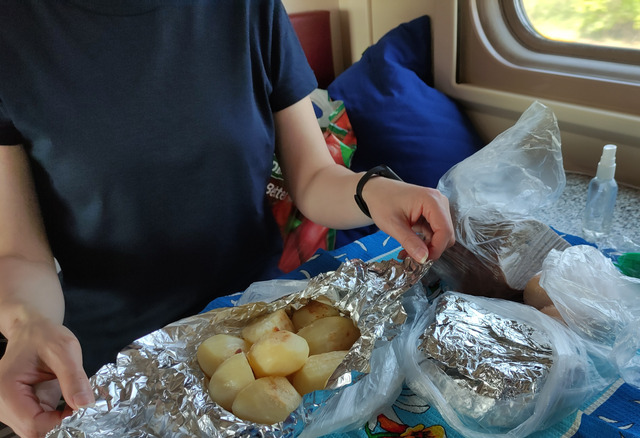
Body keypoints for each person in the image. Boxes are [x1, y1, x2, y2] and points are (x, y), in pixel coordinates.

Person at [0, 2, 455, 437]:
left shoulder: (248, 8)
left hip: (255, 326)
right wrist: (25, 326)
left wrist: (371, 190)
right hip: (111, 366)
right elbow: (20, 251)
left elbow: (313, 177)